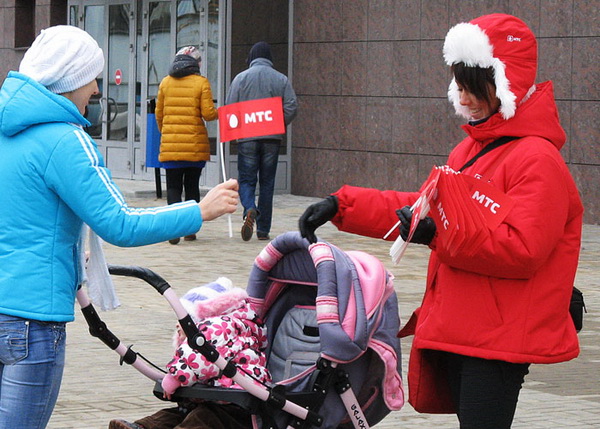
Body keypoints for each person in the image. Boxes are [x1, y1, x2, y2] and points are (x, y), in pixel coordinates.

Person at [298, 13, 583, 429]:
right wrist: (343, 206)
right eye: (460, 87)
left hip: (497, 341)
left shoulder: (538, 160)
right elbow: (425, 206)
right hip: (463, 328)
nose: (462, 99)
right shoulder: (470, 151)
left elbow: (522, 249)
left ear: (506, 86)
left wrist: (439, 234)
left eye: (473, 89)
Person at [0, 26, 238, 429]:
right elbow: (121, 224)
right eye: (92, 77)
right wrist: (200, 210)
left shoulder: (8, 133)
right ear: (72, 78)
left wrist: (68, 248)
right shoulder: (65, 141)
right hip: (32, 323)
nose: (95, 89)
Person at [108, 278, 270, 429]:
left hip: (238, 406)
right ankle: (142, 427)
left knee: (201, 418)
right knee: (176, 415)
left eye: (184, 320)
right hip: (216, 399)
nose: (178, 326)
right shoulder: (230, 329)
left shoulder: (219, 328)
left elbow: (198, 361)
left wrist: (173, 379)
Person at [226, 41, 298, 241]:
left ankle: (250, 208)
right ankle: (263, 229)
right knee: (267, 183)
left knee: (247, 180)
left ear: (251, 57)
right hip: (271, 139)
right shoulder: (281, 79)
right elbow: (292, 106)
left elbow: (230, 107)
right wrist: (277, 122)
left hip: (247, 137)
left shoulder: (240, 78)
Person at [155, 46, 219, 244]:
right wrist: (220, 112)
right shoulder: (201, 83)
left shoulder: (166, 83)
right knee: (191, 187)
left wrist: (166, 132)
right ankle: (190, 230)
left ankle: (173, 230)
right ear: (196, 63)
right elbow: (208, 114)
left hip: (171, 143)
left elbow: (159, 114)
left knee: (173, 187)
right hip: (194, 145)